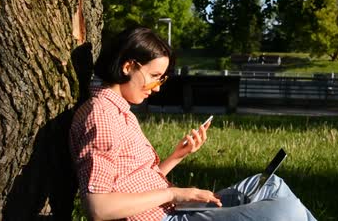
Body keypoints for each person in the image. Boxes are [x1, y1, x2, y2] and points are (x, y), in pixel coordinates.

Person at [69, 27, 316, 221]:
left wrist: (177, 156)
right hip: (166, 217)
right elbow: (98, 208)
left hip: (172, 210)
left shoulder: (120, 112)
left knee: (271, 185)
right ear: (128, 67)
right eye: (155, 76)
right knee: (286, 212)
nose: (156, 88)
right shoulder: (101, 116)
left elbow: (132, 182)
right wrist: (173, 193)